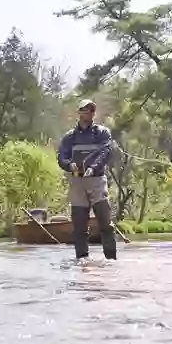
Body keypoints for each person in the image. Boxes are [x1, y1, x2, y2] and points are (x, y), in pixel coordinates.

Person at [57, 99, 117, 260]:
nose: (88, 112)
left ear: (93, 113)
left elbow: (106, 152)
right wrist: (70, 166)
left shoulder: (102, 133)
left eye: (91, 110)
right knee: (79, 227)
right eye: (85, 109)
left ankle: (111, 261)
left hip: (97, 181)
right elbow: (62, 158)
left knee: (105, 223)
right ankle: (82, 261)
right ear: (79, 112)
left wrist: (94, 168)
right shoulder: (69, 137)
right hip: (77, 183)